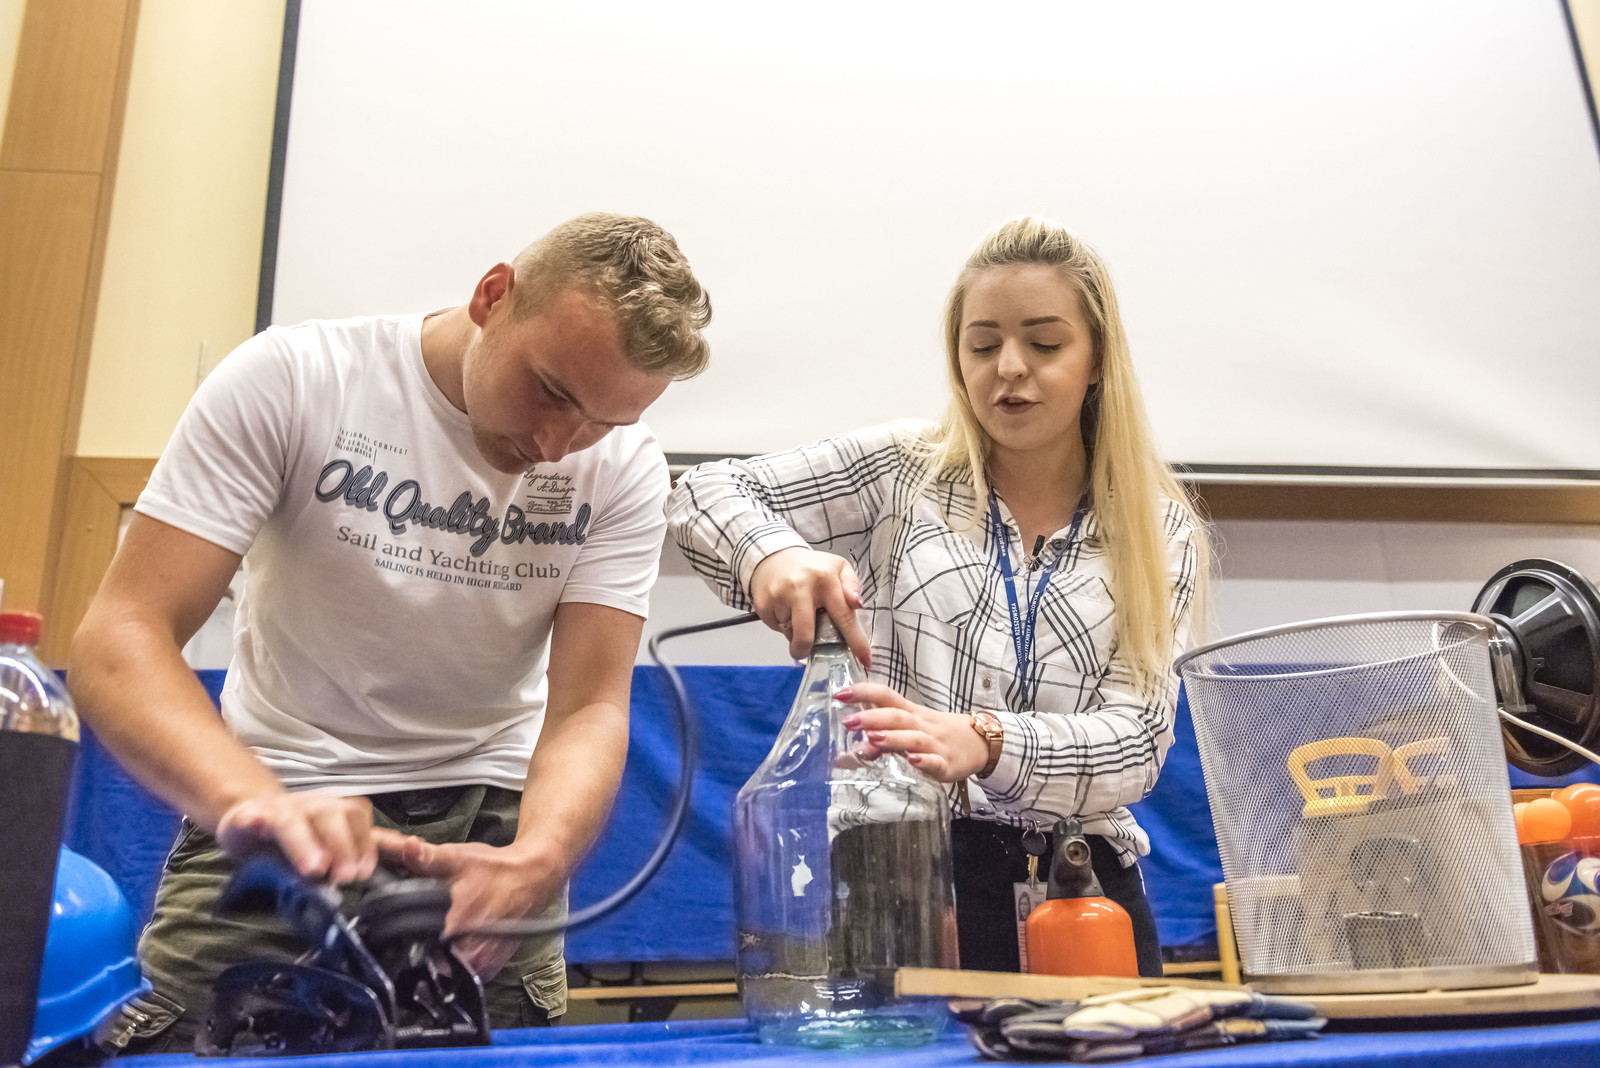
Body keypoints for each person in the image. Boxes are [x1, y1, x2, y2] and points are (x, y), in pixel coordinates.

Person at [68, 213, 712, 1047]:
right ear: (493, 296)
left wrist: (540, 860)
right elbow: (122, 636)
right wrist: (251, 803)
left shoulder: (623, 465)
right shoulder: (297, 379)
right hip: (282, 815)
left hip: (491, 840)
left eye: (603, 421)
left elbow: (589, 705)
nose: (560, 444)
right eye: (552, 392)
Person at [667, 217, 1206, 977]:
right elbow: (703, 492)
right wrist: (774, 556)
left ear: (1097, 361)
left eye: (1044, 344)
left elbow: (1138, 742)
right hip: (901, 882)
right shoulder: (902, 471)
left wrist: (986, 741)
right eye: (982, 346)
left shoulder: (1157, 527)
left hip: (1084, 895)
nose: (1008, 368)